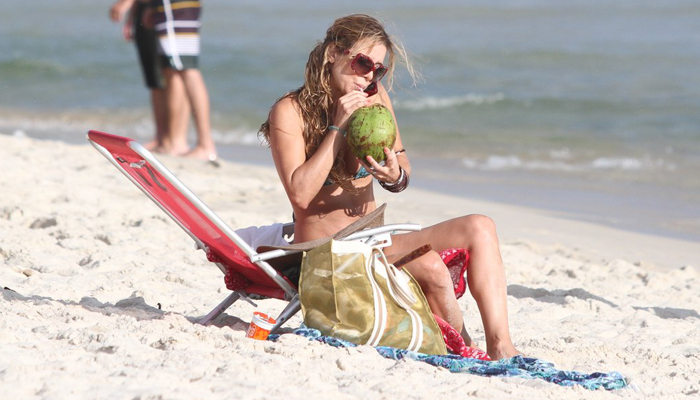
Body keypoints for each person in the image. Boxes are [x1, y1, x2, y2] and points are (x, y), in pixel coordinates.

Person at [259, 14, 520, 360]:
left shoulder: (375, 97)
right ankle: (462, 349)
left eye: (377, 70)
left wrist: (393, 175)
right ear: (333, 54)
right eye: (363, 62)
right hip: (328, 254)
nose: (369, 75)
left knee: (480, 226)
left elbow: (403, 168)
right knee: (431, 268)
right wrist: (337, 129)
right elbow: (301, 194)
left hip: (376, 241)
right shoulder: (289, 111)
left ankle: (499, 345)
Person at [146, 0, 217, 161]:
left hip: (174, 6)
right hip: (177, 6)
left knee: (186, 68)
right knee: (175, 71)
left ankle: (205, 145)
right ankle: (179, 142)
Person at [109, 0, 169, 152]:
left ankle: (170, 140)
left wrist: (127, 3)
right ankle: (162, 138)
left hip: (159, 7)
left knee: (172, 76)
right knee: (157, 79)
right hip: (150, 7)